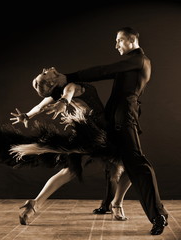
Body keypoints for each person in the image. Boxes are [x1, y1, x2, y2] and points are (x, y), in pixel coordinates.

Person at [0, 68, 131, 225]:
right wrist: (64, 102)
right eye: (44, 73)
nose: (46, 69)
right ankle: (117, 205)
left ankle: (34, 204)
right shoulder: (68, 87)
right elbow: (69, 93)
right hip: (99, 133)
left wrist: (27, 115)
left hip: (87, 134)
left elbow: (39, 107)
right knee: (129, 164)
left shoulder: (60, 89)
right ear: (53, 83)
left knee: (71, 171)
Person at [49, 27, 169, 235]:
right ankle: (108, 204)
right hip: (113, 119)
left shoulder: (140, 60)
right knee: (111, 160)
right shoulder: (130, 63)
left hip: (124, 118)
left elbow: (103, 70)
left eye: (119, 41)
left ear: (132, 41)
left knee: (137, 164)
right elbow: (105, 73)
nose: (116, 45)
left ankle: (159, 215)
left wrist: (69, 77)